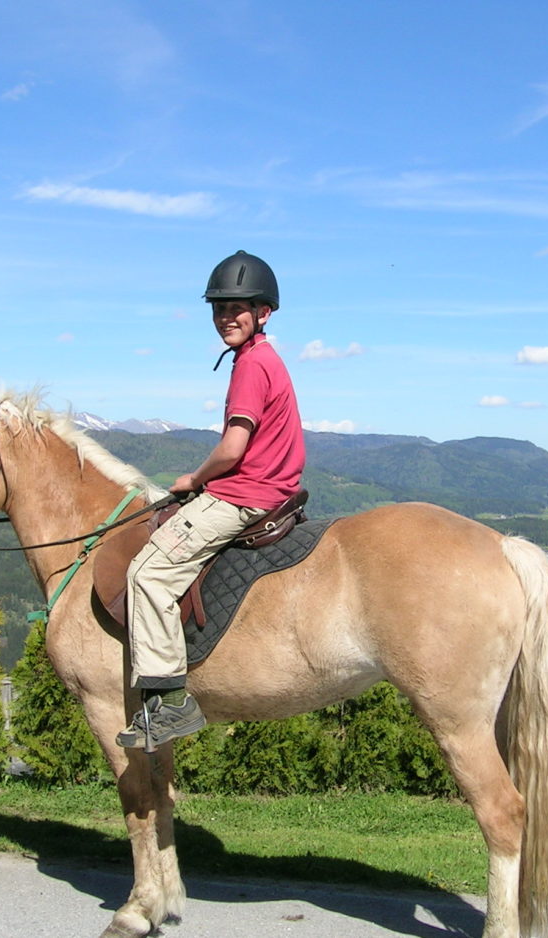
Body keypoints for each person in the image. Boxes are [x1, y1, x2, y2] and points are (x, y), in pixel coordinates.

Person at [117, 250, 306, 750]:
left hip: (245, 495)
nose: (227, 316)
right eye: (219, 307)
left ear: (263, 312)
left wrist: (193, 477)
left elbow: (233, 448)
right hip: (271, 489)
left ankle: (171, 703)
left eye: (238, 307)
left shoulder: (251, 365)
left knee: (147, 574)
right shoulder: (265, 359)